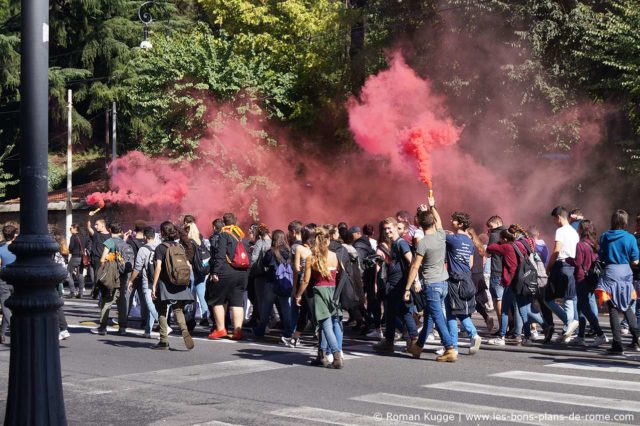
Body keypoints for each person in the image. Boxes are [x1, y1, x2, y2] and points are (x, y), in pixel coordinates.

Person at [405, 199, 457, 362]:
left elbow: (414, 267)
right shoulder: (441, 235)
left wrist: (407, 288)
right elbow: (440, 221)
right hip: (443, 283)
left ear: (419, 224)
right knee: (429, 316)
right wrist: (433, 205)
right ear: (433, 222)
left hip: (431, 284)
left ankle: (449, 348)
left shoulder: (423, 243)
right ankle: (418, 346)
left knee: (437, 317)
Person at [296, 227, 344, 369]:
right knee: (325, 325)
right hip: (334, 291)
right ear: (328, 241)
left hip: (320, 291)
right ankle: (321, 356)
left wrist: (298, 295)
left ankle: (336, 357)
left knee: (325, 325)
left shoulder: (312, 258)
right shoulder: (335, 256)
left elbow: (305, 280)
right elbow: (340, 273)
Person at [372, 217, 418, 354]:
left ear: (395, 227)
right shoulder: (394, 243)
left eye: (389, 228)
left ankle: (405, 341)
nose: (387, 231)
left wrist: (414, 282)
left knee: (397, 312)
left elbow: (412, 262)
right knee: (398, 312)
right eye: (385, 229)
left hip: (398, 285)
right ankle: (407, 341)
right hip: (395, 284)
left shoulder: (400, 243)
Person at [596, 210, 640, 354]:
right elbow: (635, 260)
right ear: (625, 221)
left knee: (613, 309)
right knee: (627, 306)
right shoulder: (630, 238)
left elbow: (601, 256)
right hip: (626, 273)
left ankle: (617, 345)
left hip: (610, 272)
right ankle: (637, 336)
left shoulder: (605, 236)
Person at [150, 221, 195, 350]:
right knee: (178, 309)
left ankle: (164, 340)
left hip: (165, 283)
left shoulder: (161, 247)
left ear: (163, 233)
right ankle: (184, 331)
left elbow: (158, 267)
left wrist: (154, 285)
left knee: (162, 310)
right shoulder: (179, 246)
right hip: (179, 281)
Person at [443, 211, 482, 354]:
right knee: (460, 310)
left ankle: (454, 346)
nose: (451, 221)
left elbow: (438, 232)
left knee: (451, 313)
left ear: (459, 224)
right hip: (467, 278)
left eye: (453, 220)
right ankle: (473, 334)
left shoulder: (452, 239)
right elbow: (471, 264)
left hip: (455, 280)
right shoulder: (469, 241)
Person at [208, 213, 249, 340]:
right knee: (237, 302)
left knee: (217, 300)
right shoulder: (241, 236)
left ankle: (220, 329)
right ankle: (237, 331)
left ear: (224, 223)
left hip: (226, 272)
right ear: (236, 221)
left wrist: (215, 272)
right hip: (242, 273)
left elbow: (220, 255)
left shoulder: (224, 234)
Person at [544, 206, 580, 343]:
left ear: (559, 217)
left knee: (548, 298)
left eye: (554, 219)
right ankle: (569, 327)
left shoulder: (560, 231)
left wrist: (549, 267)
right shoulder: (574, 231)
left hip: (561, 265)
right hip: (572, 266)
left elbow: (556, 250)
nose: (554, 222)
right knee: (569, 297)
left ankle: (568, 322)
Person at [90, 221, 131, 336]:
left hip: (111, 275)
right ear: (120, 231)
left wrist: (103, 265)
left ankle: (103, 327)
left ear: (109, 230)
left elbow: (102, 259)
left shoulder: (109, 241)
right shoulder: (123, 242)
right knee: (121, 300)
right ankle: (122, 328)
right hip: (122, 275)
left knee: (107, 300)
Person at [254, 230, 293, 343]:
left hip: (272, 281)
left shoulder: (271, 251)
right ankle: (289, 331)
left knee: (266, 306)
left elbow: (265, 263)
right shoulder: (289, 251)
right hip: (285, 282)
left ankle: (261, 329)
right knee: (286, 307)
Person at [573, 220, 608, 347]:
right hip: (592, 279)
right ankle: (580, 336)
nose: (577, 230)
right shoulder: (594, 244)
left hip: (581, 278)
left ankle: (600, 334)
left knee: (584, 308)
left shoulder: (580, 245)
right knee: (582, 306)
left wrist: (568, 260)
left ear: (582, 230)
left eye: (578, 228)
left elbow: (578, 263)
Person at [127, 226, 159, 338]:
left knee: (149, 304)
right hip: (157, 279)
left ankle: (162, 324)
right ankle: (147, 331)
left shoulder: (143, 249)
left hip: (146, 280)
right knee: (152, 304)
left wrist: (130, 280)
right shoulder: (158, 248)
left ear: (145, 237)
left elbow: (137, 268)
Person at [289, 225, 315, 347]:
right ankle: (295, 337)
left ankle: (322, 337)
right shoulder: (316, 249)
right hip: (315, 282)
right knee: (305, 311)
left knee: (311, 312)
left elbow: (296, 269)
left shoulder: (299, 248)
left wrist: (295, 290)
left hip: (304, 282)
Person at [486, 215, 507, 335]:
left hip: (497, 271)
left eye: (490, 226)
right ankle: (509, 326)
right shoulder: (508, 233)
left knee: (498, 300)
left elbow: (488, 253)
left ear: (497, 223)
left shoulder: (494, 235)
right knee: (507, 300)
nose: (489, 229)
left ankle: (502, 328)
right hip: (507, 272)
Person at [186, 221, 210, 327]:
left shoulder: (189, 242)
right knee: (201, 294)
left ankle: (190, 317)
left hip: (192, 270)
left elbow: (188, 258)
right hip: (202, 271)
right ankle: (205, 317)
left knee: (191, 295)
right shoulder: (200, 240)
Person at [0, 224, 18, 343]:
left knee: (5, 306)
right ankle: (1, 334)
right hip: (17, 278)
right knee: (12, 306)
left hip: (4, 278)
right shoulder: (19, 248)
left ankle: (15, 328)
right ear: (14, 235)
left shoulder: (0, 249)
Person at [52, 230, 71, 341]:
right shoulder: (60, 252)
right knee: (56, 306)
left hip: (52, 282)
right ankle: (62, 329)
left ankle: (63, 329)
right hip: (58, 281)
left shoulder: (53, 253)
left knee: (56, 306)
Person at [68, 223, 88, 298]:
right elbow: (86, 245)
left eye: (71, 228)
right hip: (82, 258)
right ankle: (81, 292)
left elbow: (71, 247)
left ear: (75, 228)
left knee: (68, 273)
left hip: (74, 257)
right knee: (80, 274)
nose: (70, 230)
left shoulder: (73, 236)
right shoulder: (83, 236)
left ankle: (72, 291)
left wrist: (70, 250)